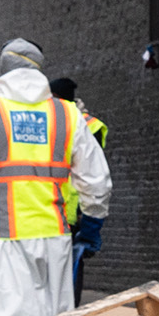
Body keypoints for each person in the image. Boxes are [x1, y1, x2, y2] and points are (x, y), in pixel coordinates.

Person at [0, 38, 111, 316]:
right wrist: (93, 221)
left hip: (5, 236)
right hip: (55, 237)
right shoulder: (67, 114)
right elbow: (96, 178)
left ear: (1, 72)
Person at [48, 76, 108, 301]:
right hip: (70, 210)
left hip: (69, 209)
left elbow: (89, 173)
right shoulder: (81, 122)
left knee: (67, 275)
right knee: (69, 272)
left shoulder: (74, 123)